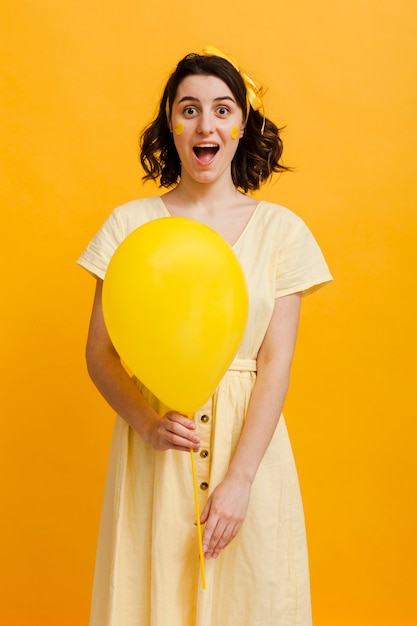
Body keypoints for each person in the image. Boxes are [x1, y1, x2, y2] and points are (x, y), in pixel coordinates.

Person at [77, 46, 333, 626]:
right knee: (153, 596)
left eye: (222, 109)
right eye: (189, 109)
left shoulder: (282, 231)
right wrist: (146, 423)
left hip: (251, 449)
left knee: (252, 594)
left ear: (242, 124)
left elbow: (276, 363)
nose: (206, 123)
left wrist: (240, 480)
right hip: (158, 450)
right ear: (171, 122)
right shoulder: (128, 225)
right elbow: (99, 353)